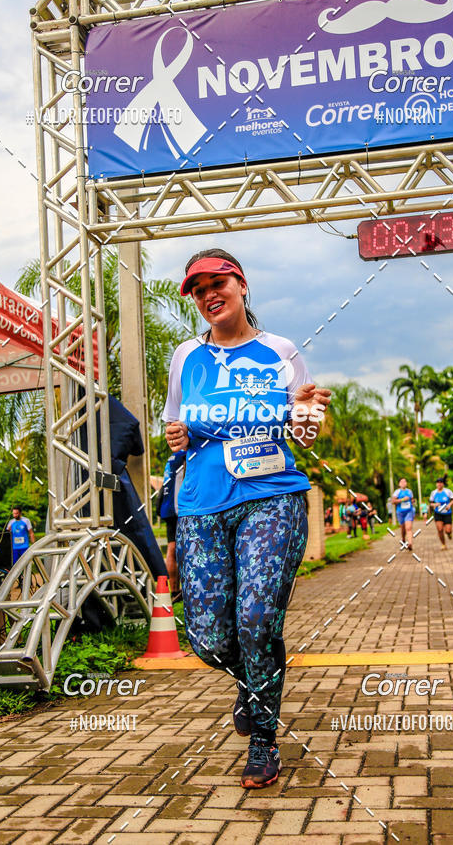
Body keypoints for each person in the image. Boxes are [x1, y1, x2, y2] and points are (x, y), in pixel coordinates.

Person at [163, 247, 331, 789]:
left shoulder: (280, 351)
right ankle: (251, 683)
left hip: (272, 499)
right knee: (209, 640)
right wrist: (176, 436)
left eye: (219, 282)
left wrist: (307, 412)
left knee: (257, 621)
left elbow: (303, 433)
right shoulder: (185, 357)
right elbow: (175, 429)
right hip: (202, 507)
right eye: (198, 288)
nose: (209, 294)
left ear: (241, 286)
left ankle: (263, 739)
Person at [156, 450, 187, 598]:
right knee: (182, 549)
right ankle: (183, 590)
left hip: (168, 508)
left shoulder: (171, 458)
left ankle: (174, 590)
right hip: (179, 508)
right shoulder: (185, 455)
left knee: (172, 549)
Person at [429, 478, 453, 549]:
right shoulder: (433, 493)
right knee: (440, 529)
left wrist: (449, 505)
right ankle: (443, 544)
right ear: (436, 484)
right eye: (438, 482)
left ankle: (449, 533)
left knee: (448, 530)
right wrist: (434, 505)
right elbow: (430, 503)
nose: (439, 484)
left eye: (441, 482)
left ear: (443, 484)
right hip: (438, 513)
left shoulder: (448, 491)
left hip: (447, 513)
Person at [391, 478, 415, 551]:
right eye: (401, 482)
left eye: (405, 481)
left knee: (409, 527)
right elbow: (393, 501)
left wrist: (412, 501)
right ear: (399, 484)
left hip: (409, 511)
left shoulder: (409, 491)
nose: (403, 483)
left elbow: (412, 500)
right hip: (400, 512)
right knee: (403, 528)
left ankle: (410, 543)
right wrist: (402, 499)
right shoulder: (397, 492)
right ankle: (403, 539)